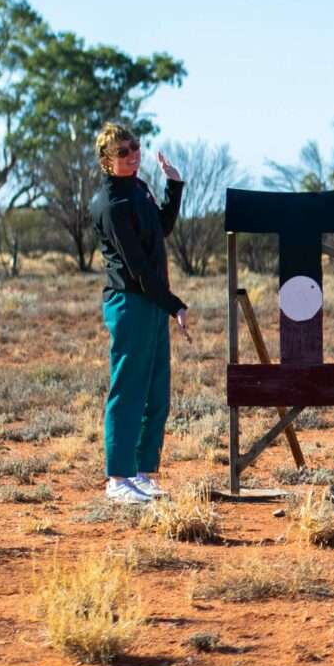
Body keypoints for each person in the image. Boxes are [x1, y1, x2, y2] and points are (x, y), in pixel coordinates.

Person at [90, 122, 187, 503]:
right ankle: (118, 479)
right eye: (124, 152)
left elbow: (162, 228)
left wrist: (173, 187)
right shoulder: (111, 205)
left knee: (156, 391)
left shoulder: (139, 189)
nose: (133, 156)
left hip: (152, 300)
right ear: (106, 160)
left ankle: (143, 472)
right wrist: (173, 304)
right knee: (128, 390)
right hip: (130, 302)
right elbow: (137, 268)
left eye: (135, 148)